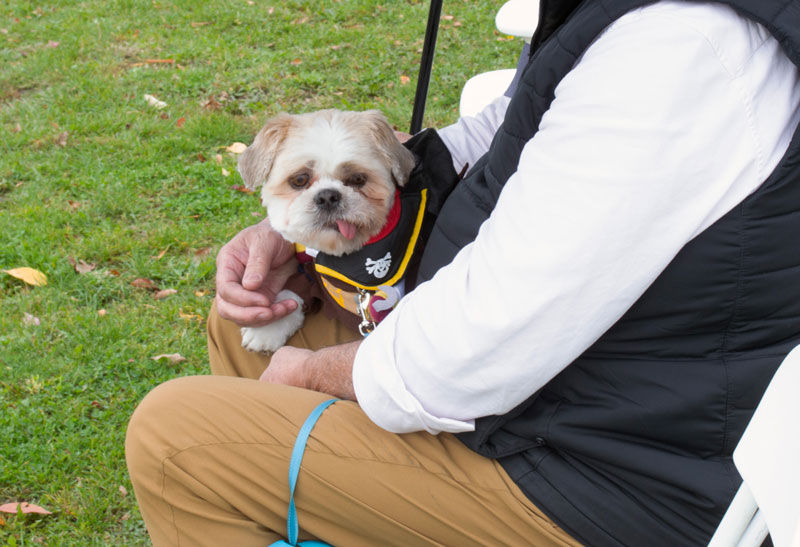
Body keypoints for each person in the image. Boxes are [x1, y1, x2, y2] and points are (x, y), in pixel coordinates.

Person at [126, 0, 800, 545]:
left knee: (176, 440)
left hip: (606, 480)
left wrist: (311, 372)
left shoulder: (677, 52)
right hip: (566, 403)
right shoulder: (630, 25)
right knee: (255, 312)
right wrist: (313, 228)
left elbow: (467, 353)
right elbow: (508, 129)